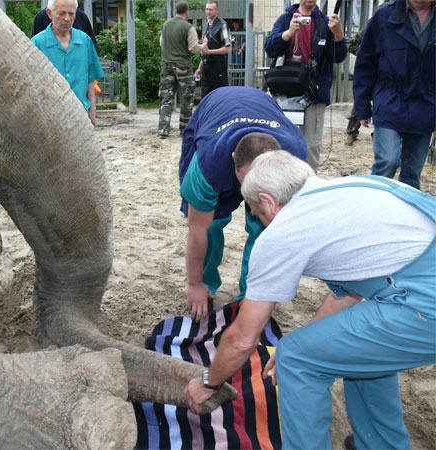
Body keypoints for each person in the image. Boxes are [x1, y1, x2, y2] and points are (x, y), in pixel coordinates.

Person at [185, 150, 436, 450]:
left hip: (424, 302)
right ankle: (382, 445)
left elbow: (242, 338)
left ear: (267, 201)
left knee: (296, 359)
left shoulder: (285, 230)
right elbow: (348, 295)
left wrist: (208, 382)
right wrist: (311, 341)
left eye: (257, 214)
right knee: (358, 356)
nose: (261, 223)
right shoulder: (350, 189)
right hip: (415, 285)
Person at [179, 86, 308, 322]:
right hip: (213, 109)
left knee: (264, 226)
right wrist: (194, 283)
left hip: (261, 107)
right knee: (212, 223)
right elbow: (197, 230)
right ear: (232, 160)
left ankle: (250, 292)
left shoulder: (295, 157)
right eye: (248, 181)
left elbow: (282, 232)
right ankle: (206, 284)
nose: (251, 193)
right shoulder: (209, 161)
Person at [353, 0, 435, 190]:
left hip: (426, 103)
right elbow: (366, 63)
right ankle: (375, 210)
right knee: (387, 161)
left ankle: (405, 216)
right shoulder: (385, 16)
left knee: (412, 173)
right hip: (391, 99)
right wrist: (363, 106)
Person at [264, 0, 346, 171]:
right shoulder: (285, 19)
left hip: (314, 93)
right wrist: (288, 33)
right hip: (285, 91)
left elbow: (338, 57)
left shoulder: (325, 22)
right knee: (283, 142)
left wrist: (339, 36)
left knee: (311, 145)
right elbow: (270, 49)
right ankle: (284, 183)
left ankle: (309, 185)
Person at [31, 0, 104, 126]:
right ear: (49, 13)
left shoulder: (85, 40)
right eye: (61, 14)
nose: (67, 18)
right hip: (49, 117)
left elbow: (90, 79)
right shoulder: (36, 44)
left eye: (71, 14)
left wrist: (92, 111)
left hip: (80, 113)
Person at [157, 1, 203, 138]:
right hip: (183, 65)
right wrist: (203, 46)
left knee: (166, 97)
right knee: (187, 97)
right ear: (187, 12)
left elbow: (161, 43)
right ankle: (185, 129)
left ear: (176, 11)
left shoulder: (166, 25)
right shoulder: (188, 27)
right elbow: (193, 48)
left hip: (166, 65)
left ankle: (163, 129)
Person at [194, 1, 232, 99]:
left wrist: (210, 52)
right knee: (205, 97)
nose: (208, 12)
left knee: (220, 97)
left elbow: (228, 48)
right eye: (207, 9)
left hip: (218, 67)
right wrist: (199, 67)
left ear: (217, 10)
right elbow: (205, 50)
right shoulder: (206, 25)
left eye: (211, 9)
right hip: (206, 67)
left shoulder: (222, 25)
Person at [31, 7, 100, 54]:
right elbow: (34, 51)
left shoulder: (81, 16)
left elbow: (92, 49)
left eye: (71, 14)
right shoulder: (41, 17)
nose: (67, 19)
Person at [344, 29, 364, 146]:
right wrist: (365, 54)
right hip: (368, 70)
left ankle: (378, 135)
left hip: (388, 73)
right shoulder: (373, 25)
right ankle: (352, 133)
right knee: (360, 101)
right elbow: (350, 43)